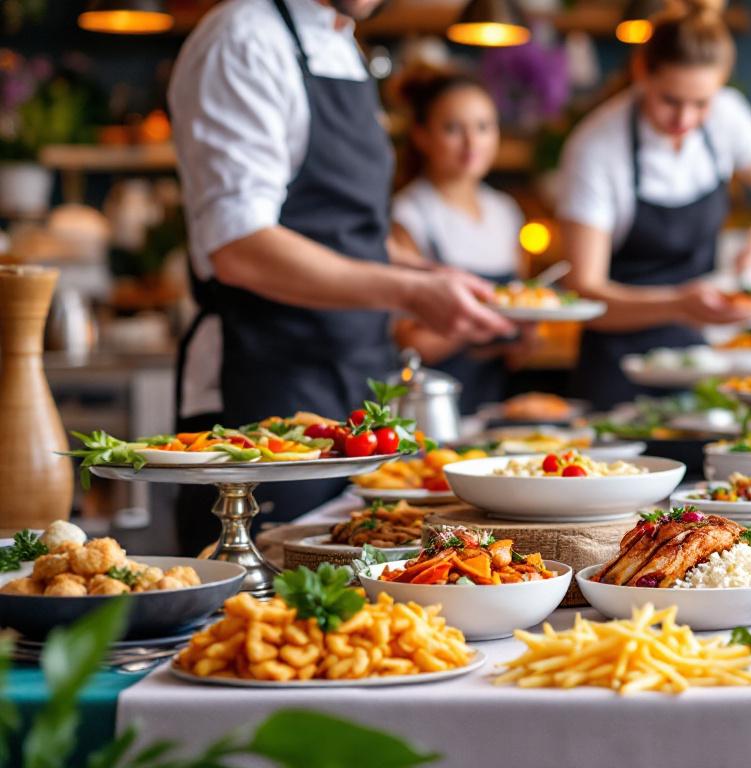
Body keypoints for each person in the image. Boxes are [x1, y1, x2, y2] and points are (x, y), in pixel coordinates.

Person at [167, 0, 515, 553]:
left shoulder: (341, 45)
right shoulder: (245, 38)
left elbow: (346, 235)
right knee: (263, 603)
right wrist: (412, 291)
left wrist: (432, 273)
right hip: (265, 381)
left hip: (354, 377)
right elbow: (239, 246)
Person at [557, 0, 751, 410]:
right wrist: (677, 304)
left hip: (699, 361)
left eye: (701, 103)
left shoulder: (728, 116)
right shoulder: (595, 148)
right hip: (618, 367)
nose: (685, 119)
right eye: (671, 100)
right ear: (642, 72)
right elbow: (585, 294)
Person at [389, 70, 526, 413]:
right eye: (452, 129)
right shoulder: (409, 215)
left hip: (494, 402)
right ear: (421, 136)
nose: (472, 143)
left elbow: (520, 344)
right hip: (429, 407)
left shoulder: (505, 212)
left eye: (483, 127)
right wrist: (485, 323)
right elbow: (407, 342)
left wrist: (525, 336)